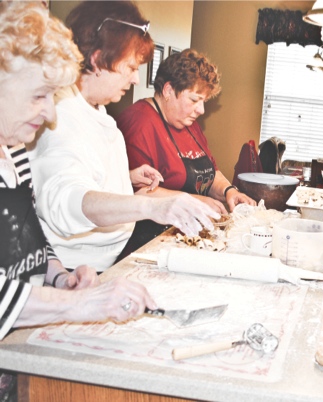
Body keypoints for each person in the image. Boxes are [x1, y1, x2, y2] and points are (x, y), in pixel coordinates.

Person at [0, 3, 157, 398]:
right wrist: (77, 305)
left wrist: (58, 275)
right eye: (40, 95)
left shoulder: (13, 150)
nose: (51, 111)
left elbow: (29, 232)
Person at [28, 2, 220, 272]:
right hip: (77, 271)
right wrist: (152, 207)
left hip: (110, 262)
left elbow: (84, 171)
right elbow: (67, 199)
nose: (134, 80)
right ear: (96, 60)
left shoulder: (94, 108)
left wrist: (125, 178)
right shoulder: (59, 113)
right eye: (130, 67)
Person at [117, 49, 256, 252]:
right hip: (148, 242)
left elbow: (210, 171)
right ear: (168, 90)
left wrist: (229, 191)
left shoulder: (187, 122)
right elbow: (137, 191)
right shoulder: (138, 123)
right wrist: (194, 201)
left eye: (203, 101)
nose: (201, 110)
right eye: (193, 100)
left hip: (186, 236)